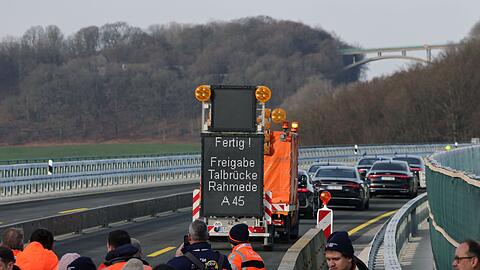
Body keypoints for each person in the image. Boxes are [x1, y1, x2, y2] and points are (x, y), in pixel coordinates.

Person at [167, 219, 231, 270]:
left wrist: (176, 257)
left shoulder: (179, 262)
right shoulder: (222, 259)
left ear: (189, 237)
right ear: (208, 236)